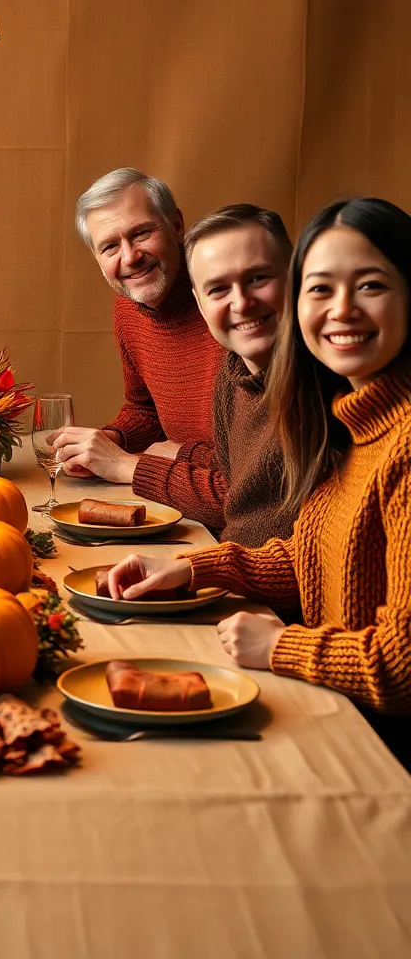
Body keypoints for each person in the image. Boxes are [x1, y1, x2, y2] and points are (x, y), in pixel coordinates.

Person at [108, 198, 411, 762]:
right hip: (322, 682)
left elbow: (400, 667)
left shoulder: (361, 419)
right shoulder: (364, 414)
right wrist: (196, 565)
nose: (341, 311)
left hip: (370, 740)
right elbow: (317, 550)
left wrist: (280, 645)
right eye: (323, 289)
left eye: (370, 286)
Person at [50, 167, 222, 493]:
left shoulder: (231, 306)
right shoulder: (129, 308)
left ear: (176, 225)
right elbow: (145, 409)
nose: (130, 258)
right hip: (181, 497)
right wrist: (109, 442)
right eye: (110, 247)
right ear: (96, 257)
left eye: (141, 233)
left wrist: (133, 463)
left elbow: (256, 463)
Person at [144, 203, 296, 545]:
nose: (241, 303)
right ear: (200, 305)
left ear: (297, 277)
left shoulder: (327, 388)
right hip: (233, 567)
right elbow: (241, 479)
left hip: (272, 593)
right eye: (219, 289)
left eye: (257, 278)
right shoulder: (233, 373)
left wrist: (137, 468)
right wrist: (181, 454)